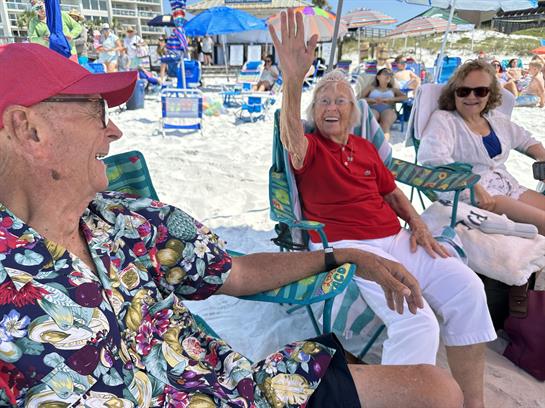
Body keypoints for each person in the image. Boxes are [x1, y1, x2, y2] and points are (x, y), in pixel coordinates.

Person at [0, 42, 465, 408]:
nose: (114, 130)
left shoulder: (129, 219)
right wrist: (293, 83)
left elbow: (235, 272)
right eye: (98, 111)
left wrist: (342, 255)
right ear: (28, 129)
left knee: (436, 389)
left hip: (240, 391)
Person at [270, 9, 496, 408]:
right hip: (353, 248)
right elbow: (290, 134)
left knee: (469, 289)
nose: (331, 106)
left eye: (340, 100)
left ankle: (473, 403)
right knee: (417, 321)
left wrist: (418, 225)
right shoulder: (309, 148)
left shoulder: (365, 147)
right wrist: (293, 80)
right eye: (323, 100)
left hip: (397, 237)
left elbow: (392, 193)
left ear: (354, 112)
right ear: (314, 112)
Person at [418, 59, 545, 235]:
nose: (471, 97)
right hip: (474, 193)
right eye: (463, 91)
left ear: (489, 94)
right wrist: (473, 185)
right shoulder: (444, 120)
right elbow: (433, 159)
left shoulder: (495, 119)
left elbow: (526, 141)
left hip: (508, 186)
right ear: (454, 93)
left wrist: (542, 157)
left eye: (480, 91)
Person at [360, 67, 407, 140]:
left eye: (390, 74)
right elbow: (359, 98)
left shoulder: (393, 89)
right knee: (372, 122)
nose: (388, 75)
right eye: (385, 73)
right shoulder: (371, 88)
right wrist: (373, 100)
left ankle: (384, 144)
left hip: (388, 109)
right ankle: (370, 143)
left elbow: (405, 97)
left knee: (385, 124)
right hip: (373, 108)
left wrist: (389, 99)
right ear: (378, 77)